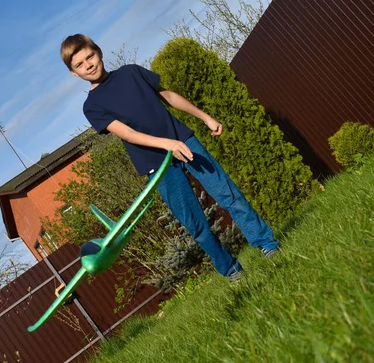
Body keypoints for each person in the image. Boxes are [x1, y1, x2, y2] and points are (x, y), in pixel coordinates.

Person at [60, 34, 279, 281]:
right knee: (195, 223)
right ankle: (230, 270)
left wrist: (205, 117)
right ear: (74, 73)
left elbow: (169, 97)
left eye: (90, 56)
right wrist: (167, 145)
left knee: (227, 193)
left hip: (185, 142)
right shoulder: (92, 106)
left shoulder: (132, 72)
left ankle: (266, 243)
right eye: (79, 64)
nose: (88, 65)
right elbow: (128, 134)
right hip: (156, 164)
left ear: (98, 52)